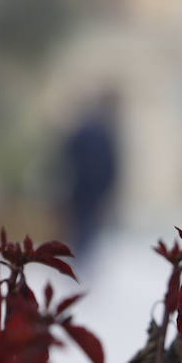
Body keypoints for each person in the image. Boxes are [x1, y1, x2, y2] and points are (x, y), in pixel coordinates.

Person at [57, 93, 120, 264]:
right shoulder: (104, 133)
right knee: (88, 223)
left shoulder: (82, 131)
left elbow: (66, 157)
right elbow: (111, 163)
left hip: (82, 186)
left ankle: (80, 257)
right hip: (92, 187)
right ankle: (83, 258)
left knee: (81, 223)